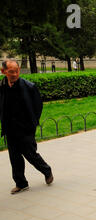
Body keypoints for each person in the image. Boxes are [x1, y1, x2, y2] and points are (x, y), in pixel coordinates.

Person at [0, 59, 53, 194]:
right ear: (3, 71)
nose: (15, 74)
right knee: (14, 157)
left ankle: (47, 171)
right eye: (11, 71)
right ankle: (21, 183)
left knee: (30, 154)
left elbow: (38, 106)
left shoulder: (29, 87)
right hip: (10, 128)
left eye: (17, 71)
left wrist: (32, 123)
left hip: (25, 128)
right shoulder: (2, 86)